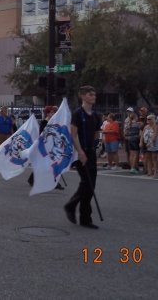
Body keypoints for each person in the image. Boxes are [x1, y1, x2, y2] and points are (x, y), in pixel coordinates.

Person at [65, 86, 102, 229]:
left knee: (90, 185)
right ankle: (73, 207)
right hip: (80, 152)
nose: (94, 97)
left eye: (94, 94)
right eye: (90, 94)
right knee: (87, 183)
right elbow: (73, 135)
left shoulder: (95, 115)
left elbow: (97, 133)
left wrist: (94, 147)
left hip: (91, 152)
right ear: (83, 96)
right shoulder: (78, 114)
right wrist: (80, 152)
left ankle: (83, 216)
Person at [29, 106, 63, 189]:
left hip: (51, 147)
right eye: (51, 112)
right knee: (47, 165)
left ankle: (34, 179)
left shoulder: (53, 122)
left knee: (49, 164)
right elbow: (42, 135)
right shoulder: (44, 123)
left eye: (53, 112)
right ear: (47, 113)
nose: (53, 113)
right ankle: (51, 182)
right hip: (45, 147)